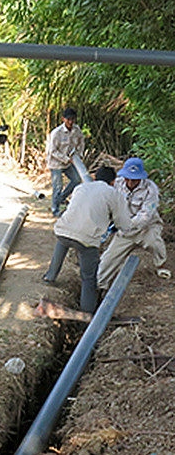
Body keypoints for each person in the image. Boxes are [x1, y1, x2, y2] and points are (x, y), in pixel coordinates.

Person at [42, 167, 132, 312]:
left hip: (63, 229)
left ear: (95, 177)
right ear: (113, 181)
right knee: (88, 278)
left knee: (64, 239)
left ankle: (50, 276)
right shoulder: (114, 194)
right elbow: (124, 223)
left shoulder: (81, 187)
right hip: (87, 239)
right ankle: (87, 314)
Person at [97, 158, 171, 288]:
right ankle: (100, 286)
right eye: (128, 178)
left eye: (134, 179)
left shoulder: (150, 189)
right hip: (124, 231)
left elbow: (146, 215)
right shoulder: (117, 184)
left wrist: (126, 224)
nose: (130, 182)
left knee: (153, 242)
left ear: (141, 177)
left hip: (146, 227)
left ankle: (161, 265)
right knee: (106, 262)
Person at [46, 108, 85, 217]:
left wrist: (78, 155)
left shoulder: (77, 130)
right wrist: (67, 159)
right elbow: (52, 151)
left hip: (69, 162)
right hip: (56, 163)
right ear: (63, 119)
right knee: (58, 186)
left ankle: (61, 198)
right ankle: (55, 209)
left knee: (77, 179)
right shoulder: (56, 133)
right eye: (68, 119)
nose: (71, 122)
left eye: (73, 119)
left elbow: (81, 144)